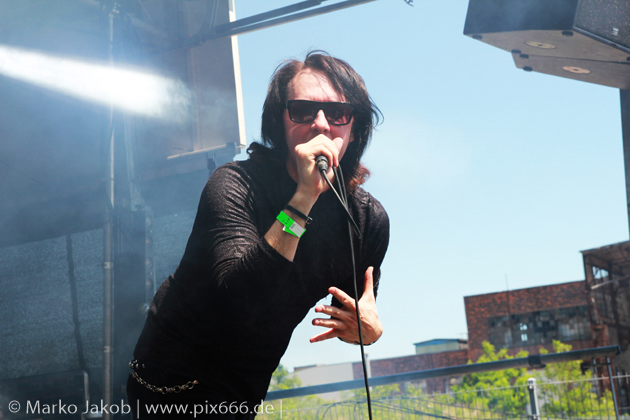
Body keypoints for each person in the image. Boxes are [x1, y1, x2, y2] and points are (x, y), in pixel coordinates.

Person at [127, 51, 389, 419]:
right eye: (302, 110)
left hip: (242, 389)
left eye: (337, 113)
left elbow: (355, 312)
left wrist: (368, 331)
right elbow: (241, 298)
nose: (320, 124)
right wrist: (304, 198)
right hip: (169, 381)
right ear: (279, 122)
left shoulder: (366, 221)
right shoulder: (234, 184)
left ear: (354, 127)